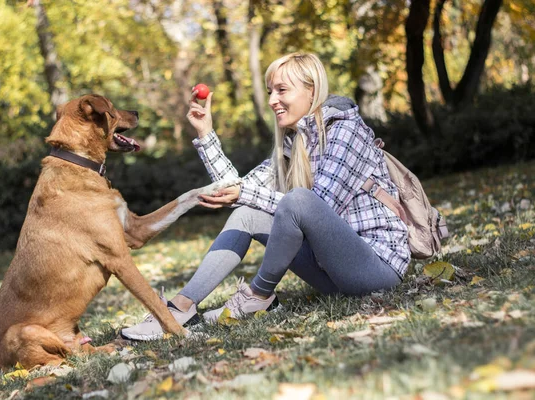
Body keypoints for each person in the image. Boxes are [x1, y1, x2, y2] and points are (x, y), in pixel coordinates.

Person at [121, 52, 410, 340]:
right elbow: (239, 188)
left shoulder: (346, 131)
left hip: (375, 270)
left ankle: (258, 294)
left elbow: (319, 207)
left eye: (282, 90)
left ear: (312, 90)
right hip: (331, 275)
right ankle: (178, 309)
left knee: (298, 200)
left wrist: (246, 192)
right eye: (271, 91)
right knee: (247, 214)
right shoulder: (292, 141)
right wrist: (206, 134)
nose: (272, 100)